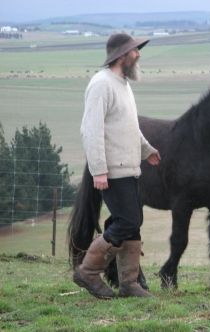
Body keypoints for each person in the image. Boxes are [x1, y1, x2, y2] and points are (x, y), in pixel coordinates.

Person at [73, 33, 161, 299]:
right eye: (135, 50)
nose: (139, 54)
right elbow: (91, 130)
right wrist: (98, 169)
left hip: (130, 167)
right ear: (122, 55)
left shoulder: (122, 84)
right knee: (127, 221)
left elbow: (129, 127)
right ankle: (88, 272)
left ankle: (129, 284)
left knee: (133, 223)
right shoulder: (101, 84)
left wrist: (147, 150)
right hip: (112, 170)